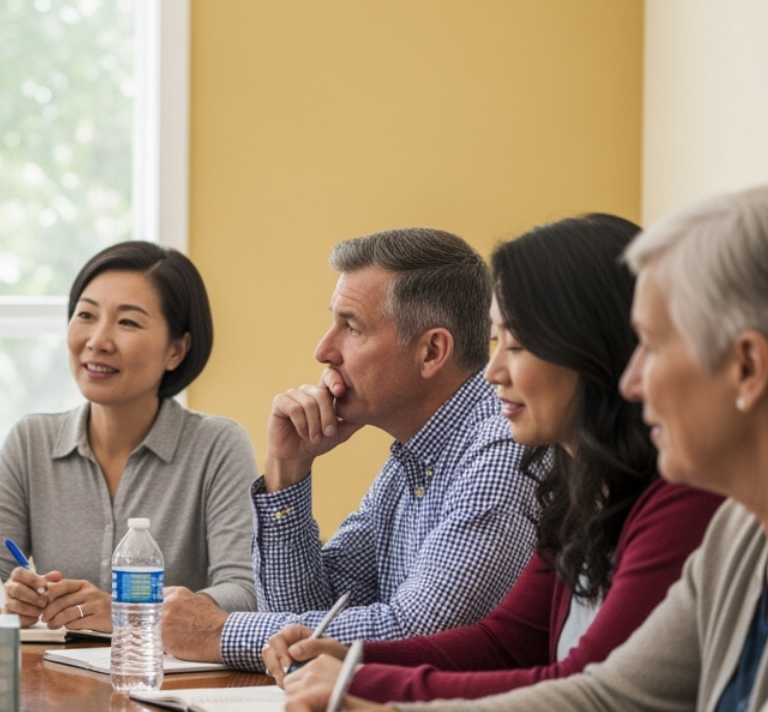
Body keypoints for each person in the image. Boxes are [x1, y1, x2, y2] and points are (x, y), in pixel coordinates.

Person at [288, 185, 768, 712]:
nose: (631, 380)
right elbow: (609, 708)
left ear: (748, 367)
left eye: (652, 346)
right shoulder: (738, 533)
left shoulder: (695, 509)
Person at [266, 214, 722, 702]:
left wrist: (356, 677)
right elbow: (508, 642)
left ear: (595, 354)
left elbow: (588, 699)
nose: (493, 371)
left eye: (518, 345)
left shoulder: (673, 497)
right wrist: (340, 656)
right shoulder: (576, 490)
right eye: (496, 340)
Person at [162, 227, 541, 670]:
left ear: (432, 351)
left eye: (352, 327)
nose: (324, 350)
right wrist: (288, 469)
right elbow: (315, 607)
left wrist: (218, 633)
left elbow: (416, 633)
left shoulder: (502, 449)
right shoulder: (412, 456)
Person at [0, 241, 256, 633]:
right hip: (54, 684)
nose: (98, 340)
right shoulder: (30, 441)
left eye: (128, 322)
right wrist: (6, 600)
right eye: (86, 315)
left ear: (176, 350)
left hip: (168, 683)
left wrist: (127, 609)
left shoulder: (217, 445)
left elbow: (244, 591)